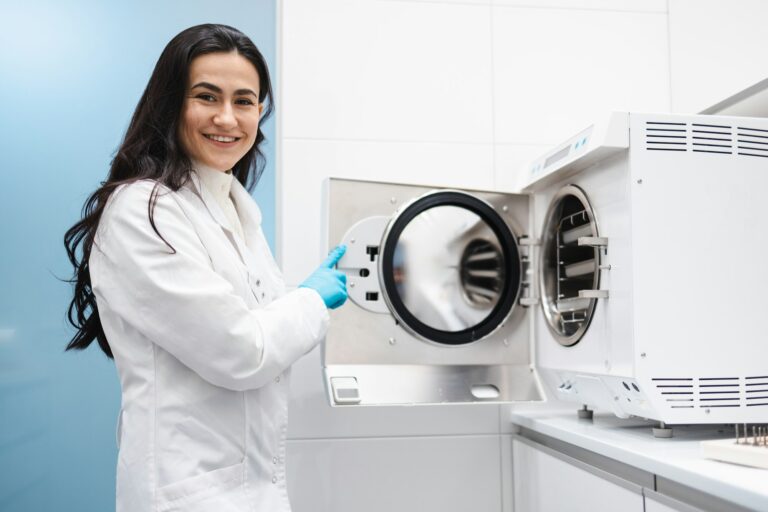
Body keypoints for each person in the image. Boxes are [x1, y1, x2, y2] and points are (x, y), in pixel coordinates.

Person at [63, 24, 347, 512]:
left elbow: (251, 326)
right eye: (206, 96)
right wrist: (312, 298)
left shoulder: (231, 208)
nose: (226, 117)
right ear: (171, 104)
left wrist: (299, 298)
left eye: (244, 101)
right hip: (188, 493)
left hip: (249, 490)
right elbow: (240, 350)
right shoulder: (142, 210)